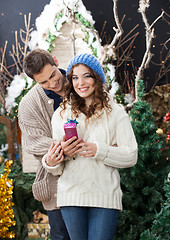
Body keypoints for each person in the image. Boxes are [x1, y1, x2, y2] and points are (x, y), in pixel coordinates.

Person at [42, 53, 138, 240]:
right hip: (71, 195)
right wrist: (53, 160)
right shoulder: (61, 115)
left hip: (104, 196)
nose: (81, 83)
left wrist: (100, 150)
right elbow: (55, 165)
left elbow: (131, 155)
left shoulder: (116, 113)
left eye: (87, 75)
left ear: (97, 78)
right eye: (75, 77)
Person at [18, 49, 81, 240]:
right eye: (43, 82)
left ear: (55, 61)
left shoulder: (80, 83)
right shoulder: (28, 104)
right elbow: (34, 143)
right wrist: (63, 146)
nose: (53, 83)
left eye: (53, 75)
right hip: (56, 187)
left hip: (90, 179)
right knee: (62, 237)